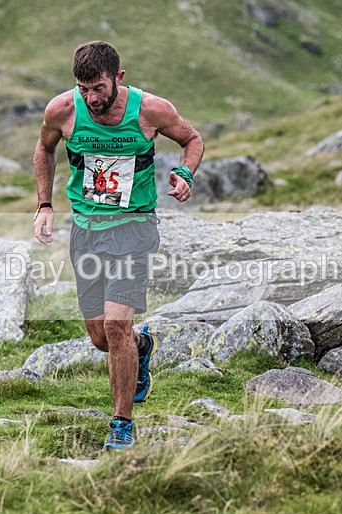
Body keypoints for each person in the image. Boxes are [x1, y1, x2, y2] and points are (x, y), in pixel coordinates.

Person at [33, 41, 204, 451]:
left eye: (98, 88)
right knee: (99, 337)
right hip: (87, 230)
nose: (90, 98)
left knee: (116, 325)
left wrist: (185, 173)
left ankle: (122, 425)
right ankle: (141, 347)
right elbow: (44, 149)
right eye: (82, 88)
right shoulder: (62, 110)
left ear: (118, 79)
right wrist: (44, 203)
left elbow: (192, 138)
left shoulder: (150, 110)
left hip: (134, 229)